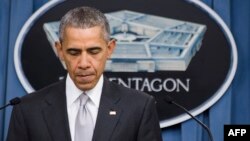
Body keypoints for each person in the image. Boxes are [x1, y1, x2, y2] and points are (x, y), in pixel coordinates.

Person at [7, 6, 163, 141]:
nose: (83, 64)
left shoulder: (139, 107)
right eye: (73, 52)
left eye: (93, 51)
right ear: (59, 50)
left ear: (110, 49)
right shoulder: (27, 109)